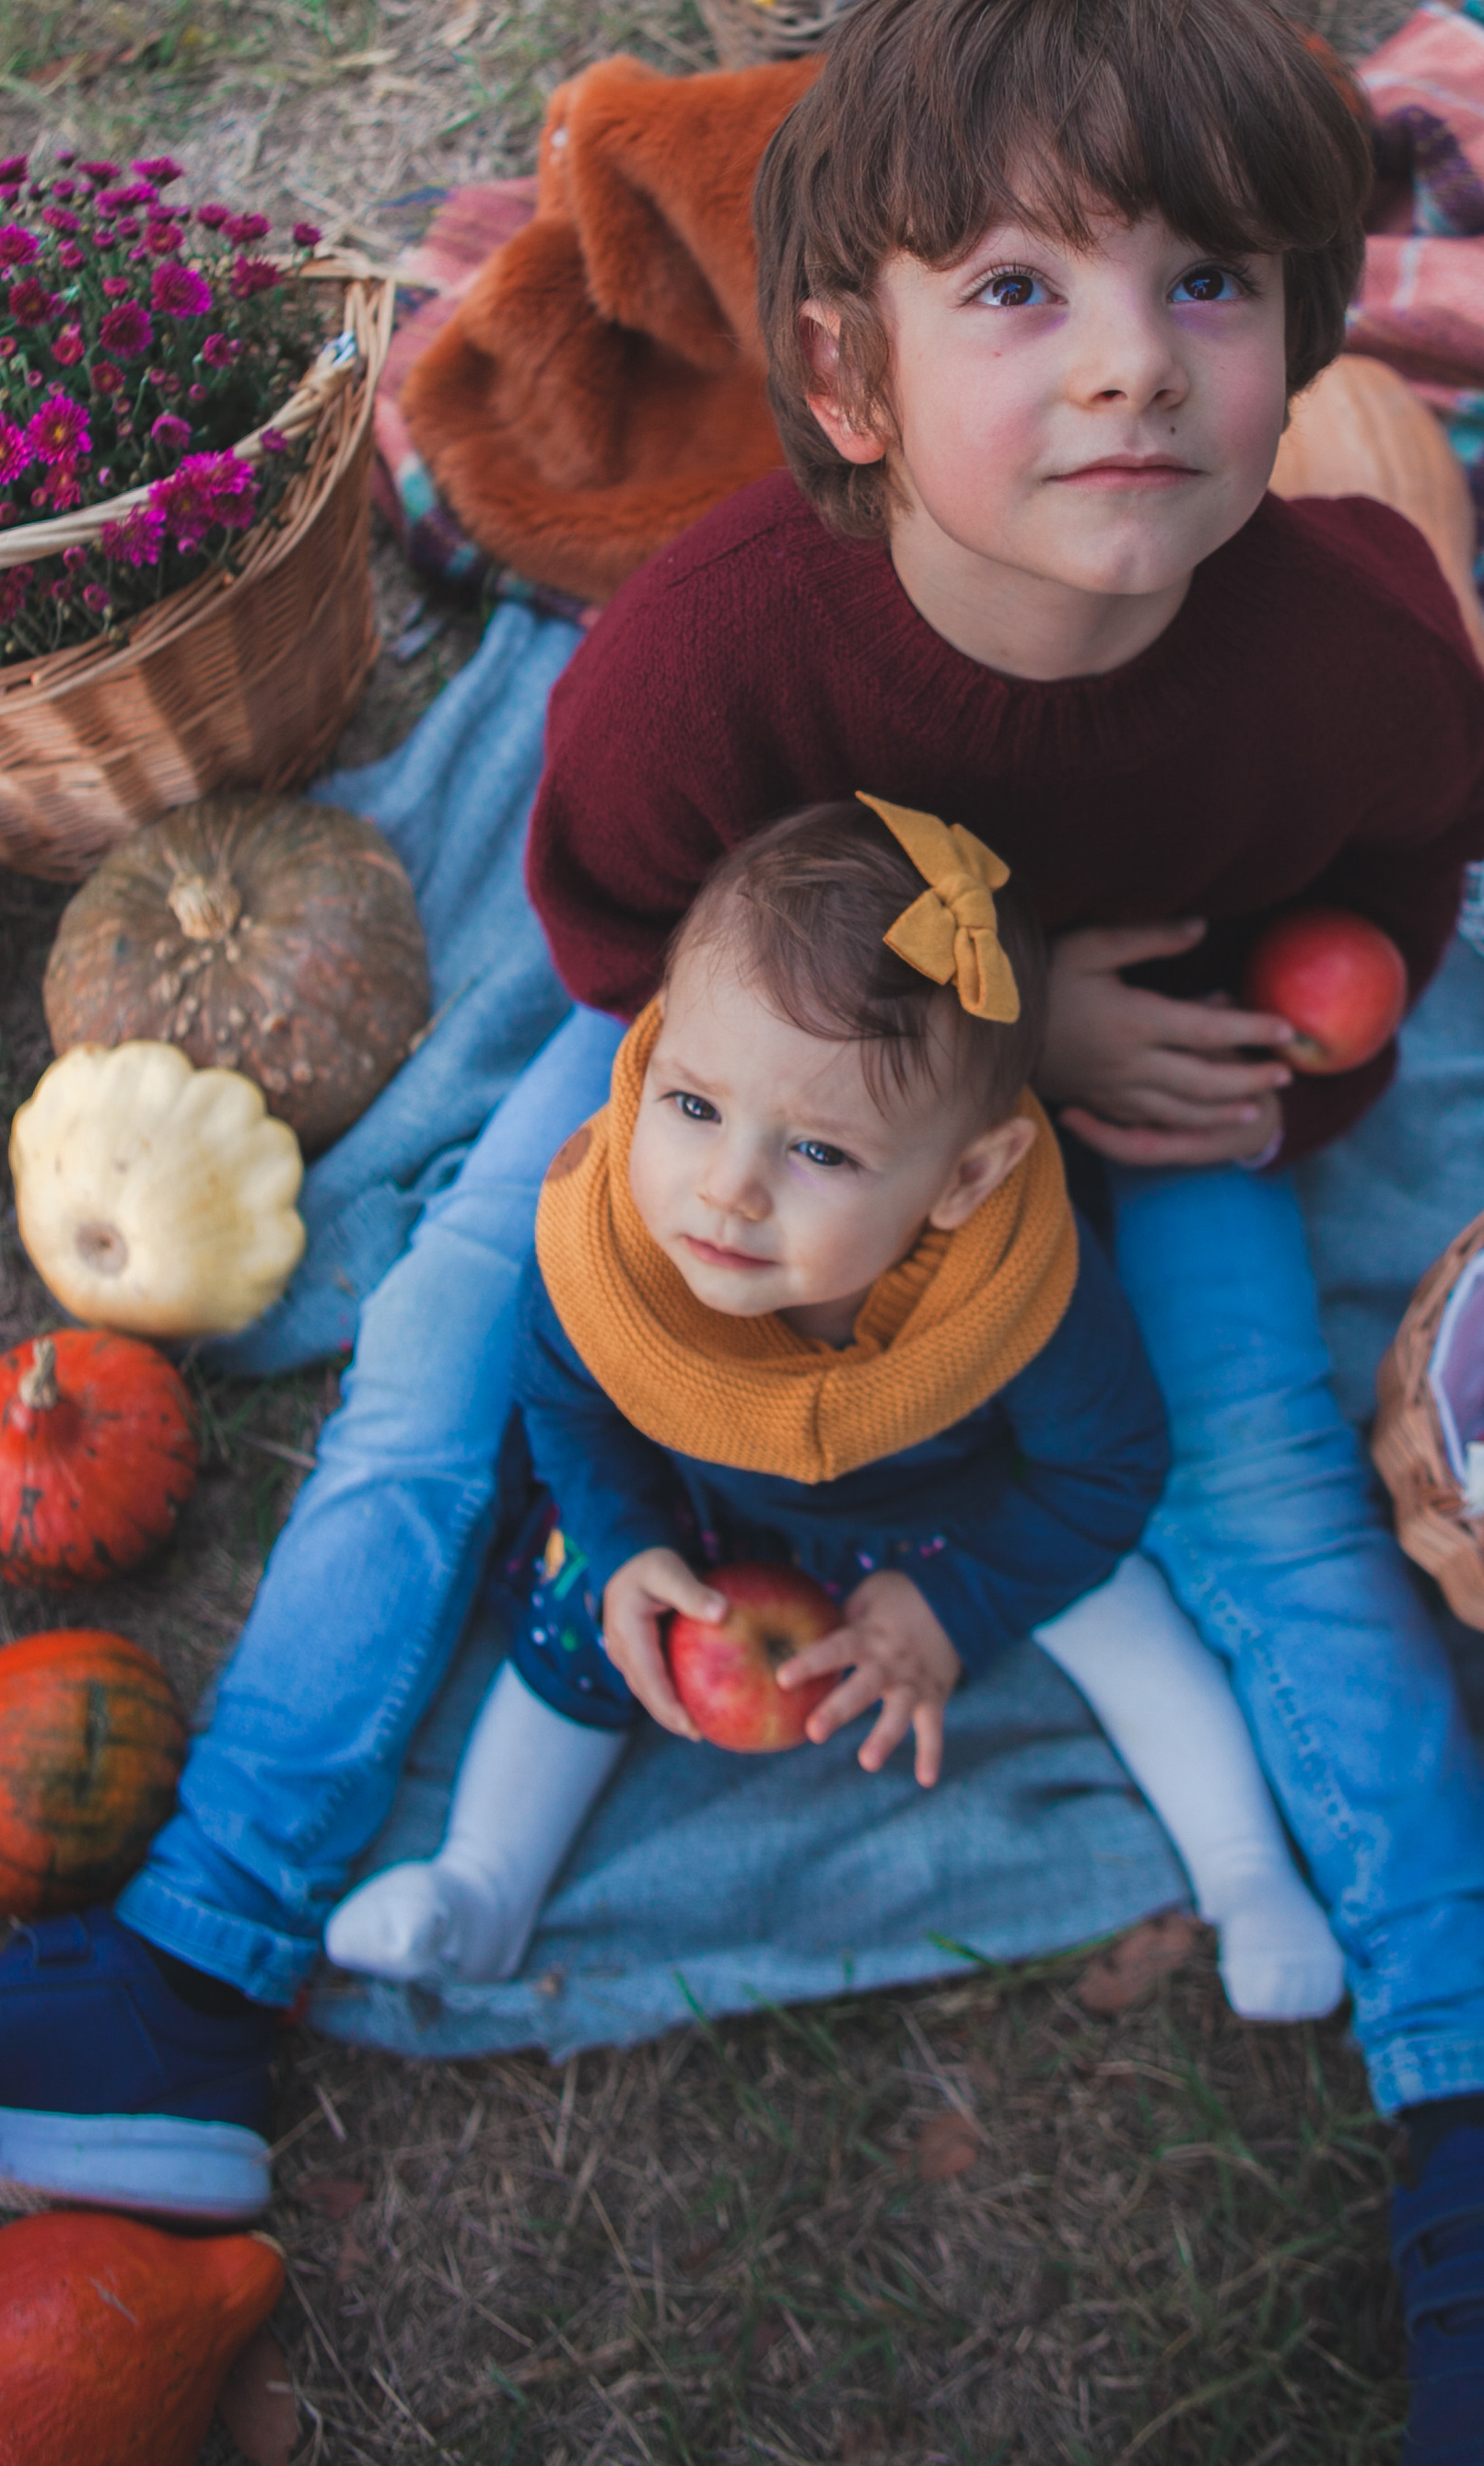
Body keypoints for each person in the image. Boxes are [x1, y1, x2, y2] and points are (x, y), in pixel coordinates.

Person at [0, 0, 1484, 2466]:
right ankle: (186, 1977)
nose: (1127, 359)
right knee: (442, 1355)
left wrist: (1291, 1033)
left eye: (1207, 280)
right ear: (848, 373)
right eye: (1018, 287)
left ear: (1301, 331)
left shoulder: (1342, 649)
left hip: (1120, 1113)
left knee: (1273, 1497)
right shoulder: (717, 653)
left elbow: (1417, 848)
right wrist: (937, 1039)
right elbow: (626, 931)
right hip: (740, 1076)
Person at [323, 797, 1342, 2026]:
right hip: (698, 1503)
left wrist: (957, 1604)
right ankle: (481, 1888)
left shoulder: (1022, 1294)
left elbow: (1108, 1471)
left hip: (944, 1514)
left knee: (1131, 1619)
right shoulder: (609, 1242)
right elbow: (567, 1404)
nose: (727, 1189)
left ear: (965, 1180)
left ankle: (1244, 1870)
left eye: (818, 1155)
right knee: (579, 1625)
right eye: (693, 1106)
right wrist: (629, 1546)